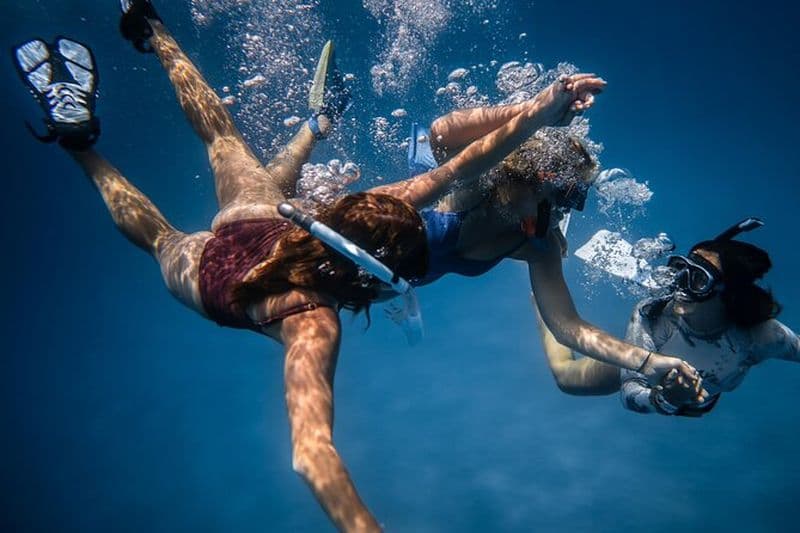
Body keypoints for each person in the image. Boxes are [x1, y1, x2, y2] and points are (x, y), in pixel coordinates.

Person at [12, 1, 607, 530]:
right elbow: (312, 451)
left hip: (265, 221)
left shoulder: (375, 206)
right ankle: (85, 150)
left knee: (224, 140)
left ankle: (154, 29)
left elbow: (462, 164)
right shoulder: (313, 319)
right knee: (160, 237)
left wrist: (541, 109)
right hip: (219, 279)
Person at [389, 103, 706, 390]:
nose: (566, 209)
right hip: (382, 232)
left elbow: (568, 327)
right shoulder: (473, 183)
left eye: (576, 199)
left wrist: (646, 361)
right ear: (529, 178)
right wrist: (537, 109)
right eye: (565, 194)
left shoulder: (537, 245)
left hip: (396, 278)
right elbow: (441, 132)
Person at [534, 218, 800, 416]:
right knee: (567, 377)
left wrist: (672, 399)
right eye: (679, 270)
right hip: (646, 361)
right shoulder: (654, 316)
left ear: (728, 294)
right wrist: (663, 399)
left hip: (698, 395)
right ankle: (541, 300)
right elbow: (630, 392)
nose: (679, 287)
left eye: (696, 279)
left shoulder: (762, 336)